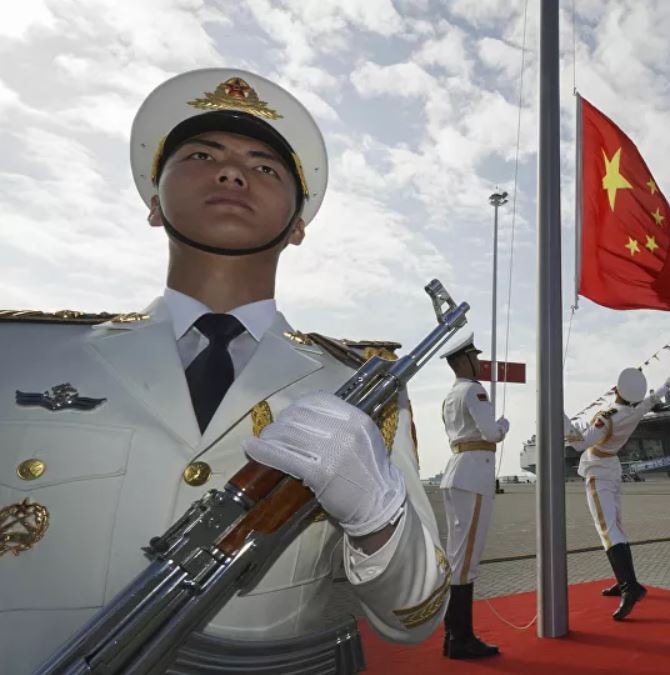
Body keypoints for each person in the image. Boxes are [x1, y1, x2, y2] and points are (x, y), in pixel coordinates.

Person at [0, 68, 448, 674]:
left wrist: (377, 517)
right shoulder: (20, 354)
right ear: (154, 203)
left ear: (298, 226)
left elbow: (413, 615)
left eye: (264, 167)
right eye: (202, 155)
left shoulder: (359, 390)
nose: (232, 172)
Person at [566, 368, 670, 620]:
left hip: (598, 471)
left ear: (616, 389)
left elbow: (579, 444)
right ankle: (624, 581)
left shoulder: (607, 416)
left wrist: (561, 419)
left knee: (607, 530)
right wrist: (665, 386)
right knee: (616, 526)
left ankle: (630, 588)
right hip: (613, 469)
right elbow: (650, 401)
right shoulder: (635, 410)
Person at [437, 332, 509, 659]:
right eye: (475, 357)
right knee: (466, 561)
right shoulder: (474, 391)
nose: (479, 362)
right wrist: (504, 425)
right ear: (464, 360)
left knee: (456, 558)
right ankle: (462, 639)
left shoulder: (450, 396)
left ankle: (452, 635)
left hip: (457, 473)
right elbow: (491, 433)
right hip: (474, 476)